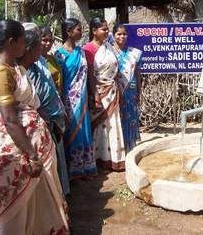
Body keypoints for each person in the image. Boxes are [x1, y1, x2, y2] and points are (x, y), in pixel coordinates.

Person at [0, 20, 68, 234]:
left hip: (32, 142)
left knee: (38, 198)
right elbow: (10, 120)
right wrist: (31, 155)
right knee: (18, 205)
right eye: (23, 41)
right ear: (12, 42)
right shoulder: (2, 73)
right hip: (17, 147)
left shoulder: (15, 67)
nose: (25, 46)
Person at [19, 29, 70, 196]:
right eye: (37, 46)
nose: (42, 48)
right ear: (28, 49)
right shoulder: (22, 73)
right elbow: (34, 102)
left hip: (53, 118)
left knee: (57, 162)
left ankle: (61, 196)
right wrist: (48, 120)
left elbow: (51, 91)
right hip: (41, 123)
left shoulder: (38, 64)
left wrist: (60, 112)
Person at [55, 18, 97, 179]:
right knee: (73, 133)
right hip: (69, 101)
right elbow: (60, 81)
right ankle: (73, 171)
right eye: (78, 30)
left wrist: (93, 95)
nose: (81, 32)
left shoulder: (81, 52)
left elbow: (89, 76)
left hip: (83, 98)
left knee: (85, 130)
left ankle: (86, 166)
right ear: (68, 32)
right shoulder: (59, 55)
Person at [83, 17, 126, 171]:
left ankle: (114, 159)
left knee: (113, 125)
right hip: (99, 93)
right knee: (100, 127)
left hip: (112, 91)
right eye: (103, 29)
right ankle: (99, 160)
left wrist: (118, 89)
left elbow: (115, 69)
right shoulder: (88, 49)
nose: (107, 32)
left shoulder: (109, 46)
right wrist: (95, 95)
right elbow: (89, 75)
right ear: (94, 31)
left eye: (107, 29)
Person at [112, 24, 142, 152]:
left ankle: (131, 147)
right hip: (117, 91)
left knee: (131, 117)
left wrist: (139, 92)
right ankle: (121, 150)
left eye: (124, 34)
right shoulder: (109, 53)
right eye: (119, 34)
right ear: (113, 35)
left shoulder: (133, 53)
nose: (122, 36)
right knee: (120, 118)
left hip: (131, 89)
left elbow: (137, 73)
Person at [41, 26, 63, 96]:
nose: (48, 43)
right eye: (44, 40)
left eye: (50, 41)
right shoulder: (34, 62)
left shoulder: (53, 59)